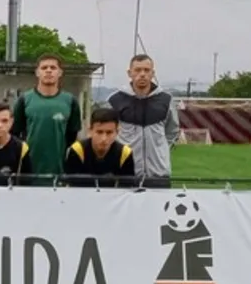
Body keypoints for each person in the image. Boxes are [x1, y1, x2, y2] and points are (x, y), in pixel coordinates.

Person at [104, 54, 179, 188]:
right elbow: (107, 135)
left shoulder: (166, 100)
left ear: (153, 73)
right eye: (138, 70)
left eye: (146, 70)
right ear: (129, 73)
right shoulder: (114, 101)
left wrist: (161, 152)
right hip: (124, 175)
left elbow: (172, 131)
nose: (142, 74)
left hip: (158, 174)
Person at [11, 53, 83, 180]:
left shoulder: (70, 101)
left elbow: (72, 137)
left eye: (53, 68)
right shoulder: (24, 100)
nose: (48, 71)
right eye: (44, 68)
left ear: (60, 72)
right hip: (29, 172)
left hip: (59, 172)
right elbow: (15, 134)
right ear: (37, 72)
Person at [63, 108, 136, 187]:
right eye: (99, 132)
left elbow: (127, 189)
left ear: (117, 132)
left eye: (109, 132)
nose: (104, 138)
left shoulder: (125, 153)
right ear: (90, 131)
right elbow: (72, 187)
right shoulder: (77, 150)